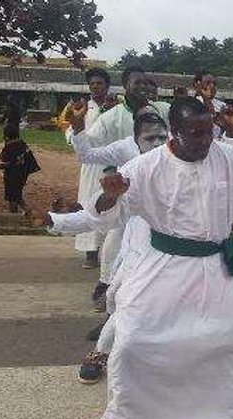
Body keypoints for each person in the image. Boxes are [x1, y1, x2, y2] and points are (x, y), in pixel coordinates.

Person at [81, 97, 233, 419]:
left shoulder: (229, 157)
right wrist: (109, 197)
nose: (205, 141)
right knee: (132, 339)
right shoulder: (146, 166)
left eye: (209, 132)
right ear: (174, 132)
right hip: (164, 266)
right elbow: (109, 214)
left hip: (220, 265)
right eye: (195, 134)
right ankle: (120, 414)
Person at [44, 111, 169, 384]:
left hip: (180, 256)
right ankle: (100, 351)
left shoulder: (181, 166)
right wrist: (56, 221)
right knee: (128, 298)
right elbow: (95, 216)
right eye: (150, 138)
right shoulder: (129, 171)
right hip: (139, 244)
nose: (158, 143)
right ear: (136, 140)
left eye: (163, 137)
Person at [70, 67, 171, 311]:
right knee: (116, 239)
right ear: (126, 86)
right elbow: (88, 151)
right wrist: (77, 128)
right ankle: (105, 285)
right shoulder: (112, 117)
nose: (144, 87)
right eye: (138, 83)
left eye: (148, 82)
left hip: (160, 194)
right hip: (126, 193)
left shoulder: (164, 111)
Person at [71, 67, 114, 269]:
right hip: (90, 163)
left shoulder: (116, 106)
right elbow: (71, 131)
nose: (96, 87)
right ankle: (90, 251)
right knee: (89, 203)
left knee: (110, 204)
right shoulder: (81, 107)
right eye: (92, 84)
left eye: (99, 83)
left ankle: (109, 250)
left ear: (107, 86)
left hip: (111, 161)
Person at [0, 123, 40, 213]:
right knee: (17, 197)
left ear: (6, 135)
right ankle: (29, 212)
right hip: (23, 175)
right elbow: (21, 159)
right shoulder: (22, 144)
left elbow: (8, 163)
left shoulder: (9, 146)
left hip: (12, 176)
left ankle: (15, 217)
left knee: (13, 199)